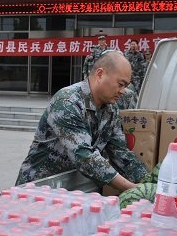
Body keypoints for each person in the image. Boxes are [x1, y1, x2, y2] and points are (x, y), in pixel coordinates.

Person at [16, 50, 147, 192]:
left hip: (73, 188)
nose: (123, 91)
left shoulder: (111, 109)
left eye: (125, 86)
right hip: (38, 188)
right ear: (100, 74)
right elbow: (84, 156)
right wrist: (130, 187)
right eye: (120, 84)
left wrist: (148, 183)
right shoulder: (67, 102)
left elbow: (121, 153)